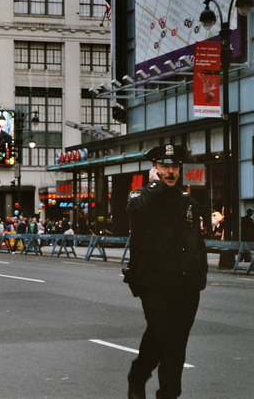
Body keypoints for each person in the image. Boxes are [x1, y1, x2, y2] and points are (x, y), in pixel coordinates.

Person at [125, 144, 207, 399]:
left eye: (174, 167)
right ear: (154, 169)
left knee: (177, 343)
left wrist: (199, 275)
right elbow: (135, 210)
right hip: (154, 282)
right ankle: (138, 377)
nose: (170, 172)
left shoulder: (187, 201)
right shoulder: (141, 195)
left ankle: (169, 394)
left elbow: (195, 239)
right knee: (159, 333)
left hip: (185, 284)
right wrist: (155, 186)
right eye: (164, 167)